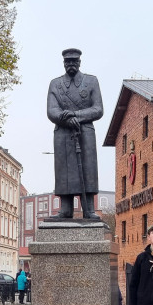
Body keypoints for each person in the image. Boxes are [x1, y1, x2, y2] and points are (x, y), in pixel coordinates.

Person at [47, 48, 103, 219]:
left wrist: (75, 116)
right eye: (68, 61)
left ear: (79, 62)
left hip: (85, 132)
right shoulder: (55, 84)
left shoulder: (91, 81)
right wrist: (65, 120)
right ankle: (65, 209)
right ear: (64, 63)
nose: (71, 64)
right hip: (63, 132)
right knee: (64, 170)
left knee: (88, 169)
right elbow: (51, 110)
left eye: (74, 61)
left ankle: (89, 209)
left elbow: (98, 109)